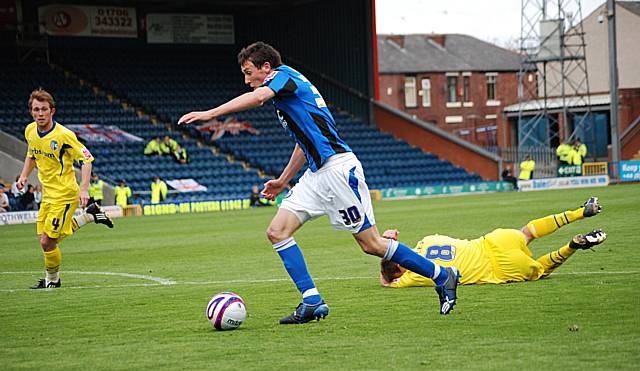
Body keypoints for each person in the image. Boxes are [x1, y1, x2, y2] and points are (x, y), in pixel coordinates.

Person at [178, 41, 460, 322]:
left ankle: (442, 275)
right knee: (277, 231)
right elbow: (303, 144)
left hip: (337, 169)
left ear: (266, 67)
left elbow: (257, 98)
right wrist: (283, 180)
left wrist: (210, 113)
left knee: (371, 244)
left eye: (248, 72)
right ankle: (312, 301)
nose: (246, 79)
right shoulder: (286, 96)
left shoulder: (283, 75)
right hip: (316, 175)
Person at [380, 198, 605, 298]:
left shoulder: (415, 277)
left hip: (500, 269)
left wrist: (390, 268)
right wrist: (391, 240)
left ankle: (573, 245)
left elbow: (386, 282)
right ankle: (580, 212)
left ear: (401, 269)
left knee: (540, 270)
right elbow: (396, 255)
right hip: (493, 241)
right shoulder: (427, 240)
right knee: (528, 232)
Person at [17, 88, 114, 289]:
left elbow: (87, 160)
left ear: (52, 111)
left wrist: (84, 189)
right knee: (45, 240)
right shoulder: (30, 131)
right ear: (31, 111)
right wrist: (24, 176)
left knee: (47, 242)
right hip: (47, 195)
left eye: (44, 109)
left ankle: (53, 281)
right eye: (36, 109)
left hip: (65, 194)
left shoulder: (64, 135)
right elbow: (32, 154)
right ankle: (88, 216)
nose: (40, 114)